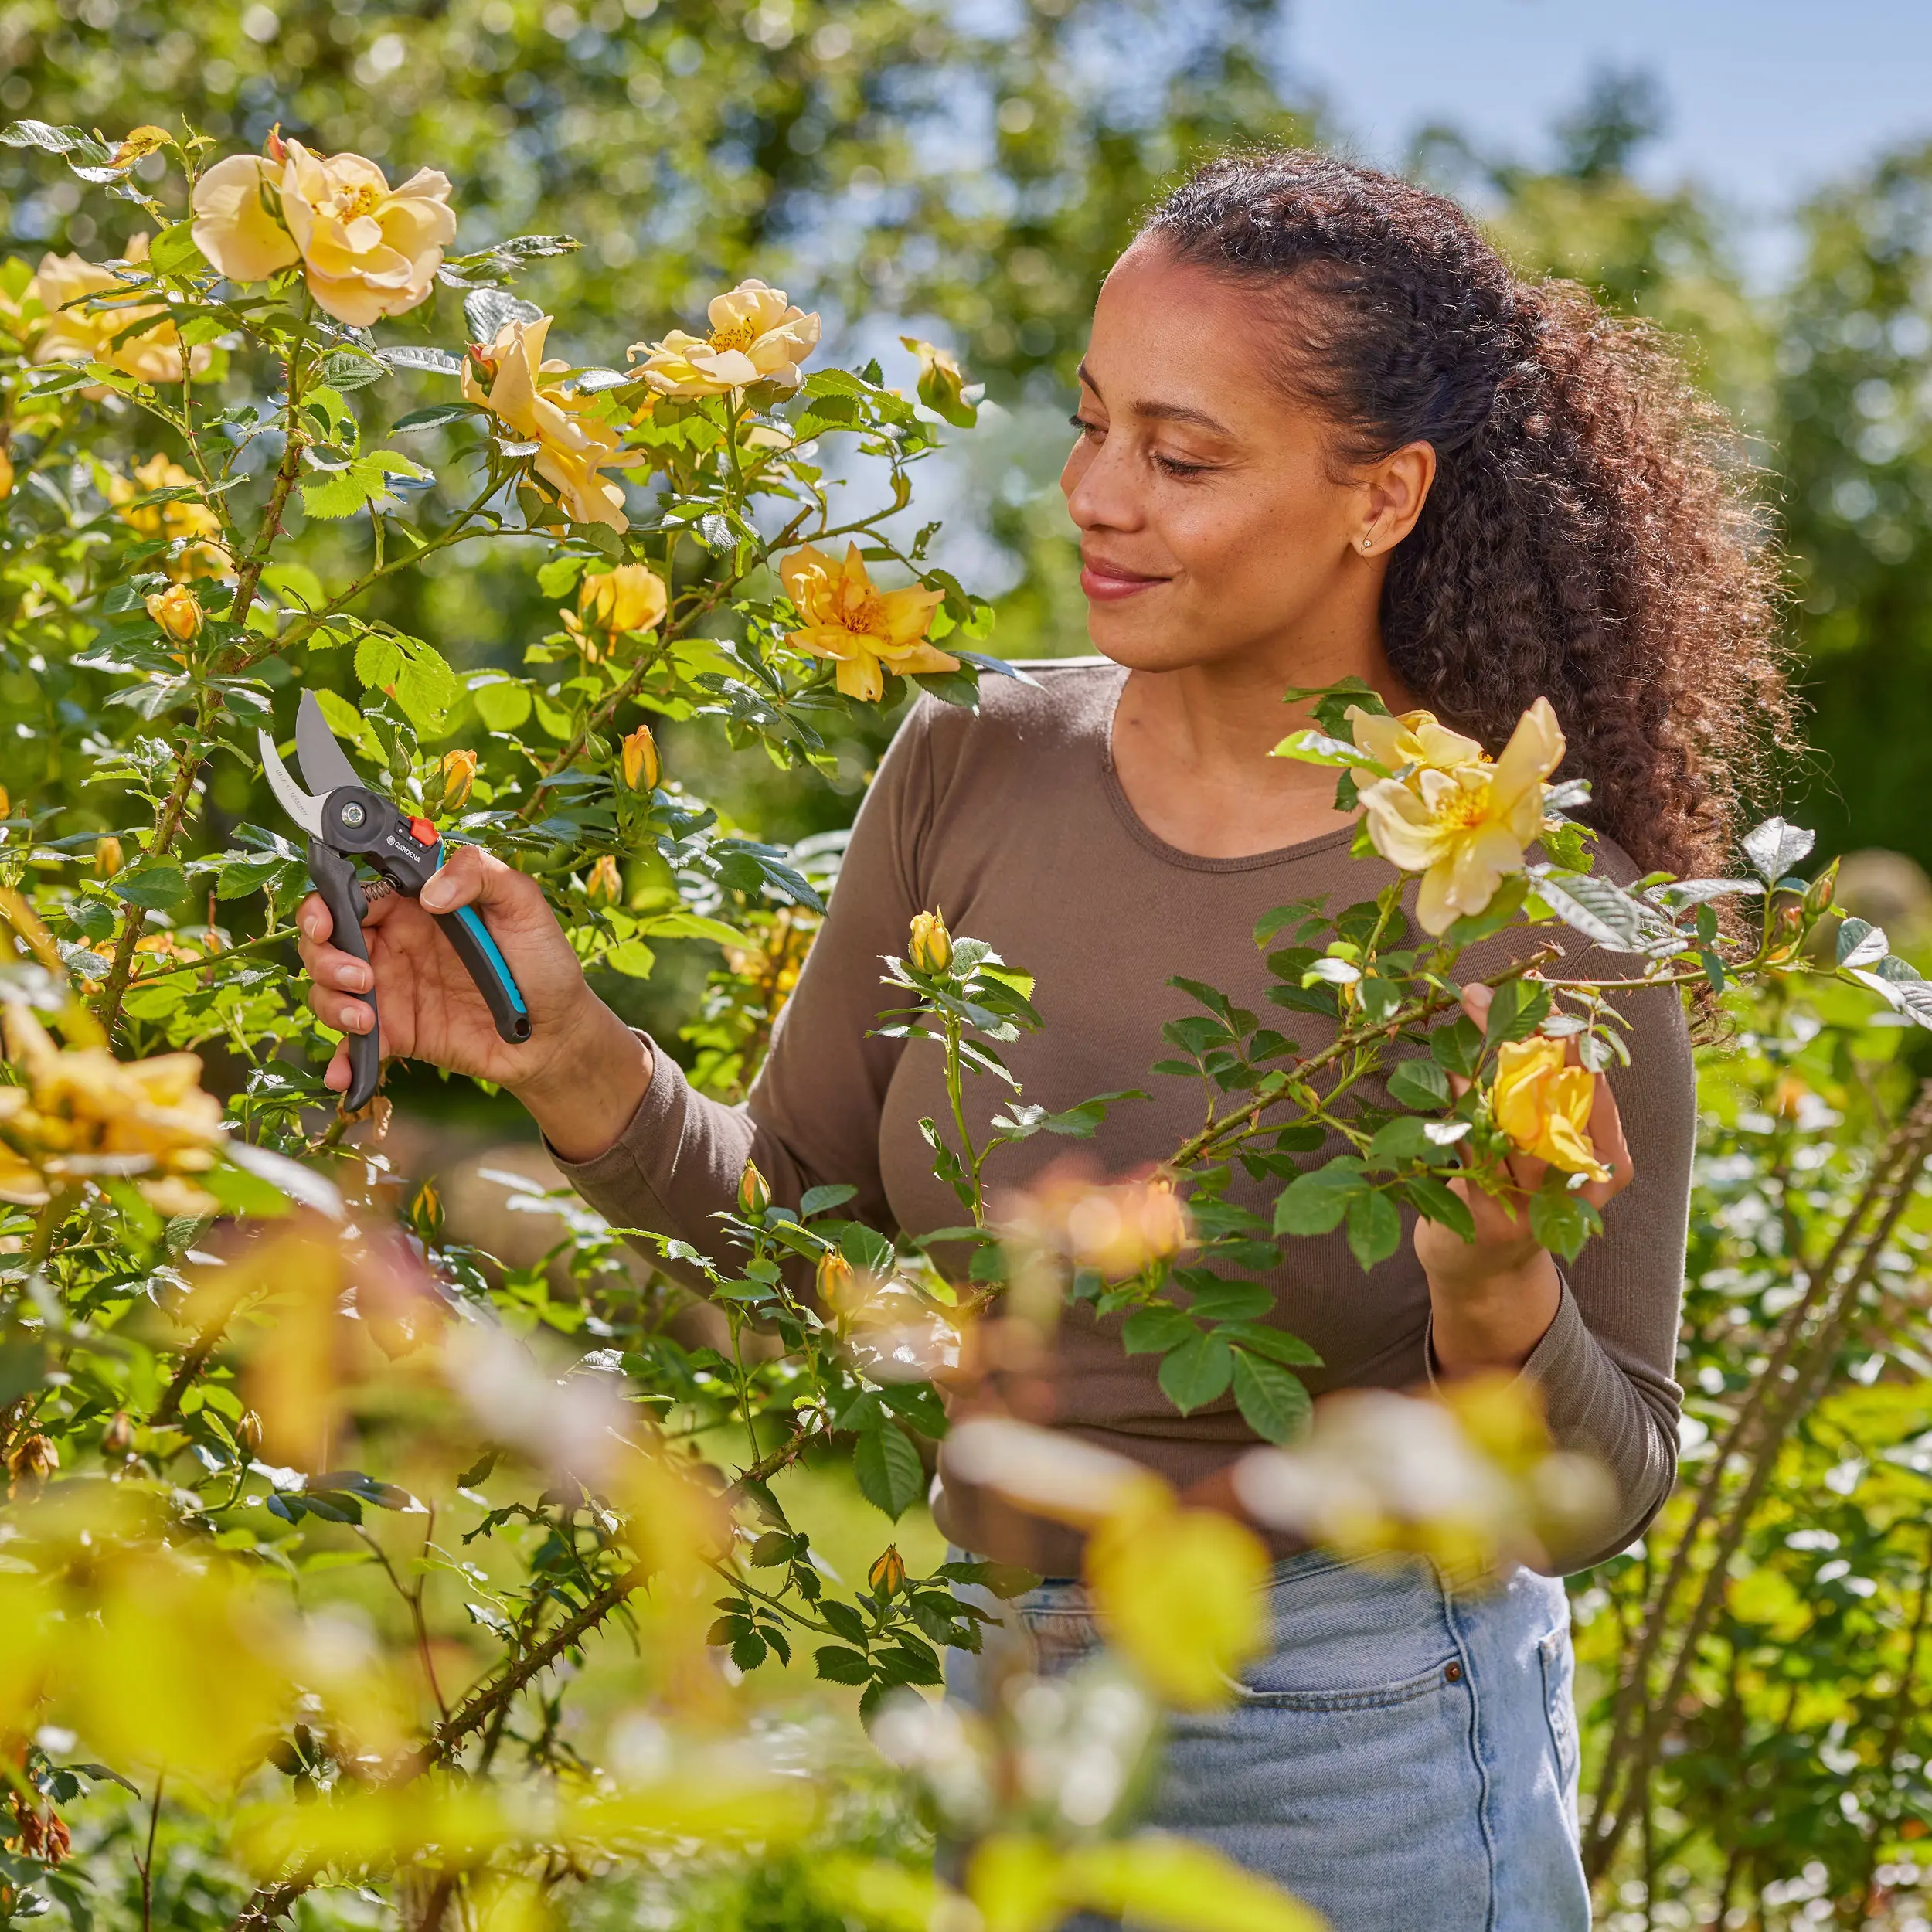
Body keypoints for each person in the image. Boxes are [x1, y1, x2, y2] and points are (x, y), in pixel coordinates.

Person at [297, 151, 1789, 1930]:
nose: (1093, 495)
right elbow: (799, 1235)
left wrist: (1491, 1299)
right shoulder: (969, 763)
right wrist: (563, 1052)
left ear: (1381, 493)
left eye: (1180, 455)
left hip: (1353, 1740)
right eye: (1089, 424)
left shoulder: (1535, 905)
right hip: (993, 1694)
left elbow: (1597, 1490)